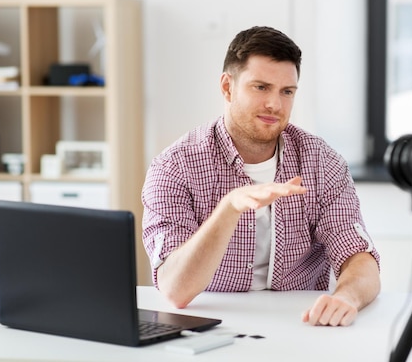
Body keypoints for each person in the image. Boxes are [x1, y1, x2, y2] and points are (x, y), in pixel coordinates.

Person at [142, 26, 381, 327]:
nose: (275, 105)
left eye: (287, 92)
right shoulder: (174, 166)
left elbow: (359, 258)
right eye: (261, 87)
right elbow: (175, 289)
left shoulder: (321, 161)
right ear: (228, 87)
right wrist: (229, 209)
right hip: (210, 323)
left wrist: (347, 298)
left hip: (301, 324)